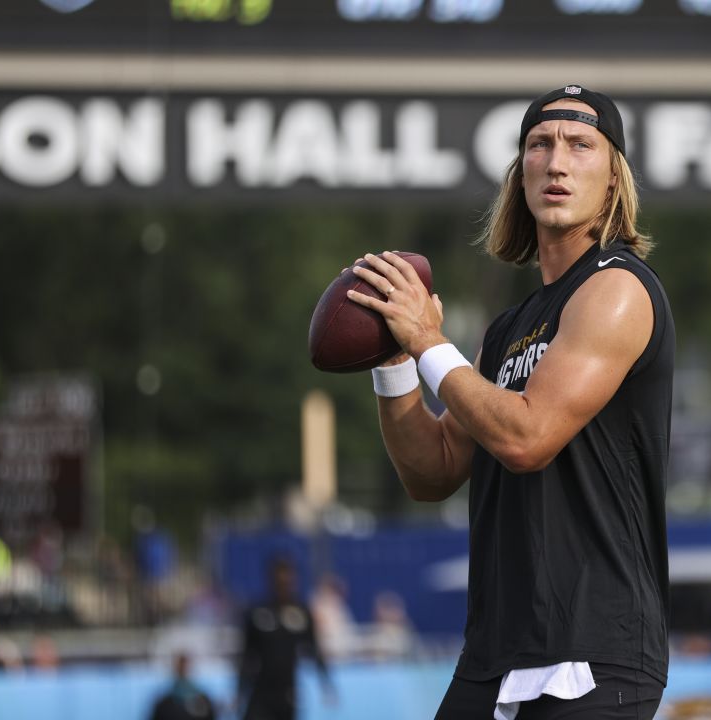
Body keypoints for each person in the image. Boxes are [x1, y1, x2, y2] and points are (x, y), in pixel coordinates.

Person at [347, 84, 674, 719]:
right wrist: (395, 362)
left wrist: (429, 340)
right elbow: (432, 471)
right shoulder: (508, 330)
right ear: (518, 173)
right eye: (539, 145)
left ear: (613, 180)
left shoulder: (618, 289)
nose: (556, 161)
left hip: (592, 649)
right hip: (496, 650)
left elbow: (527, 438)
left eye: (581, 145)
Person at [238, 559, 337, 720]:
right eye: (279, 581)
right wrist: (240, 691)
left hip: (287, 693)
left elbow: (314, 649)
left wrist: (326, 683)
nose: (284, 586)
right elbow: (246, 655)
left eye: (287, 581)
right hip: (261, 691)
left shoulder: (300, 614)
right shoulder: (259, 613)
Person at [148, 653, 217, 720]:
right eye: (180, 667)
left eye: (185, 667)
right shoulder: (164, 704)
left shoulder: (203, 701)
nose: (183, 670)